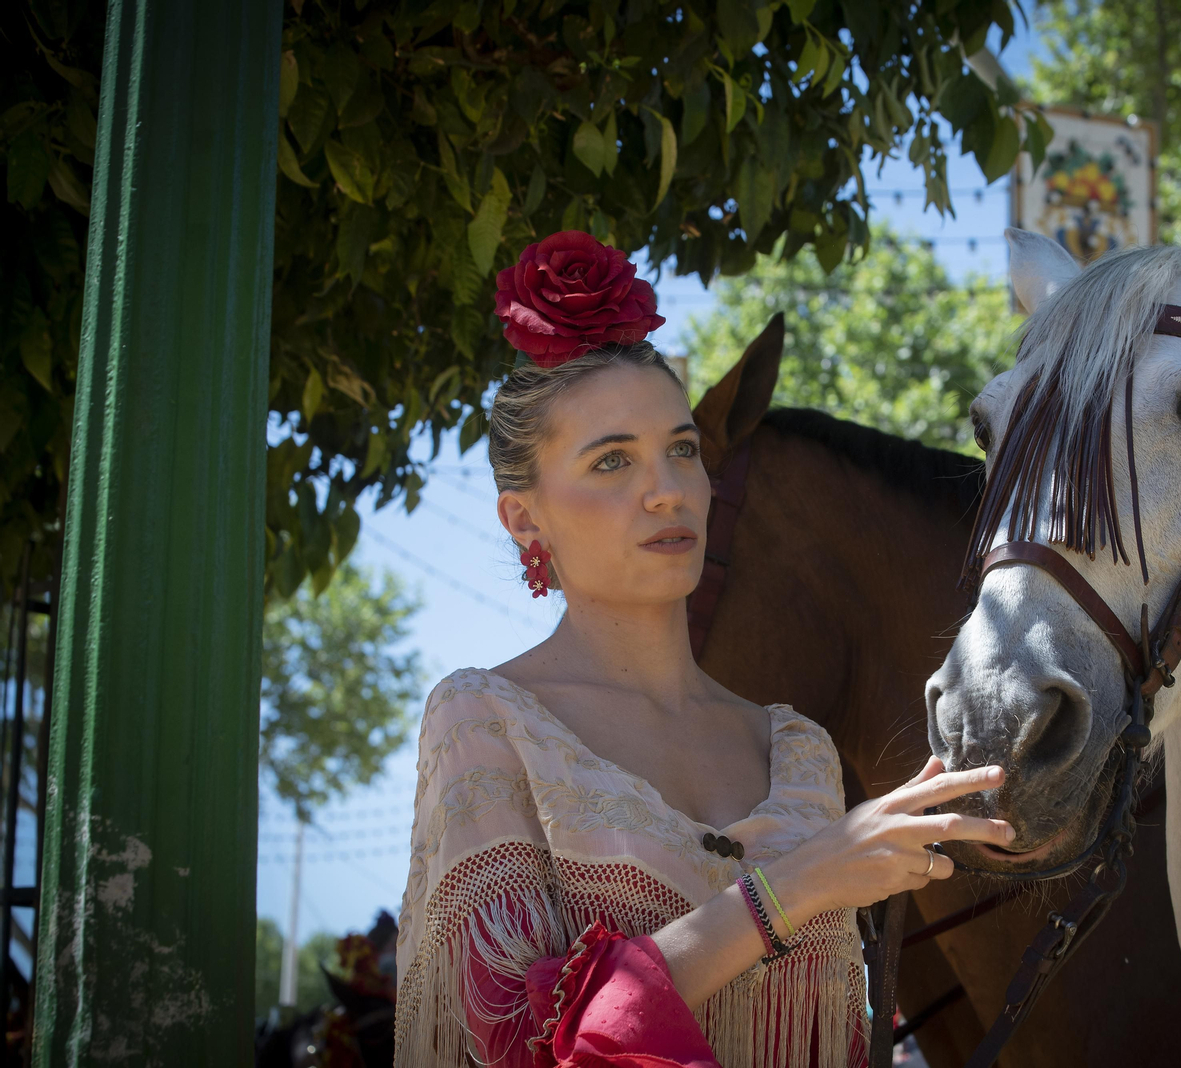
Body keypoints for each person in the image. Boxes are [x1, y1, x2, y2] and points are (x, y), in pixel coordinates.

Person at [393, 231, 1016, 1068]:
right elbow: (515, 1041)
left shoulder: (799, 752)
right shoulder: (486, 720)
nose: (669, 488)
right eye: (613, 460)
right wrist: (795, 887)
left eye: (682, 449)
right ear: (524, 519)